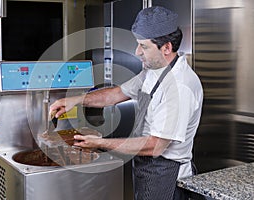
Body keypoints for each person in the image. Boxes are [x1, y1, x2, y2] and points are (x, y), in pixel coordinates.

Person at [50, 6, 203, 200]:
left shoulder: (180, 87)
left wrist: (100, 143)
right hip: (147, 168)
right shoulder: (153, 72)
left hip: (167, 177)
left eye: (144, 46)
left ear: (166, 48)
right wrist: (76, 100)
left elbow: (155, 146)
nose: (137, 52)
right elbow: (116, 94)